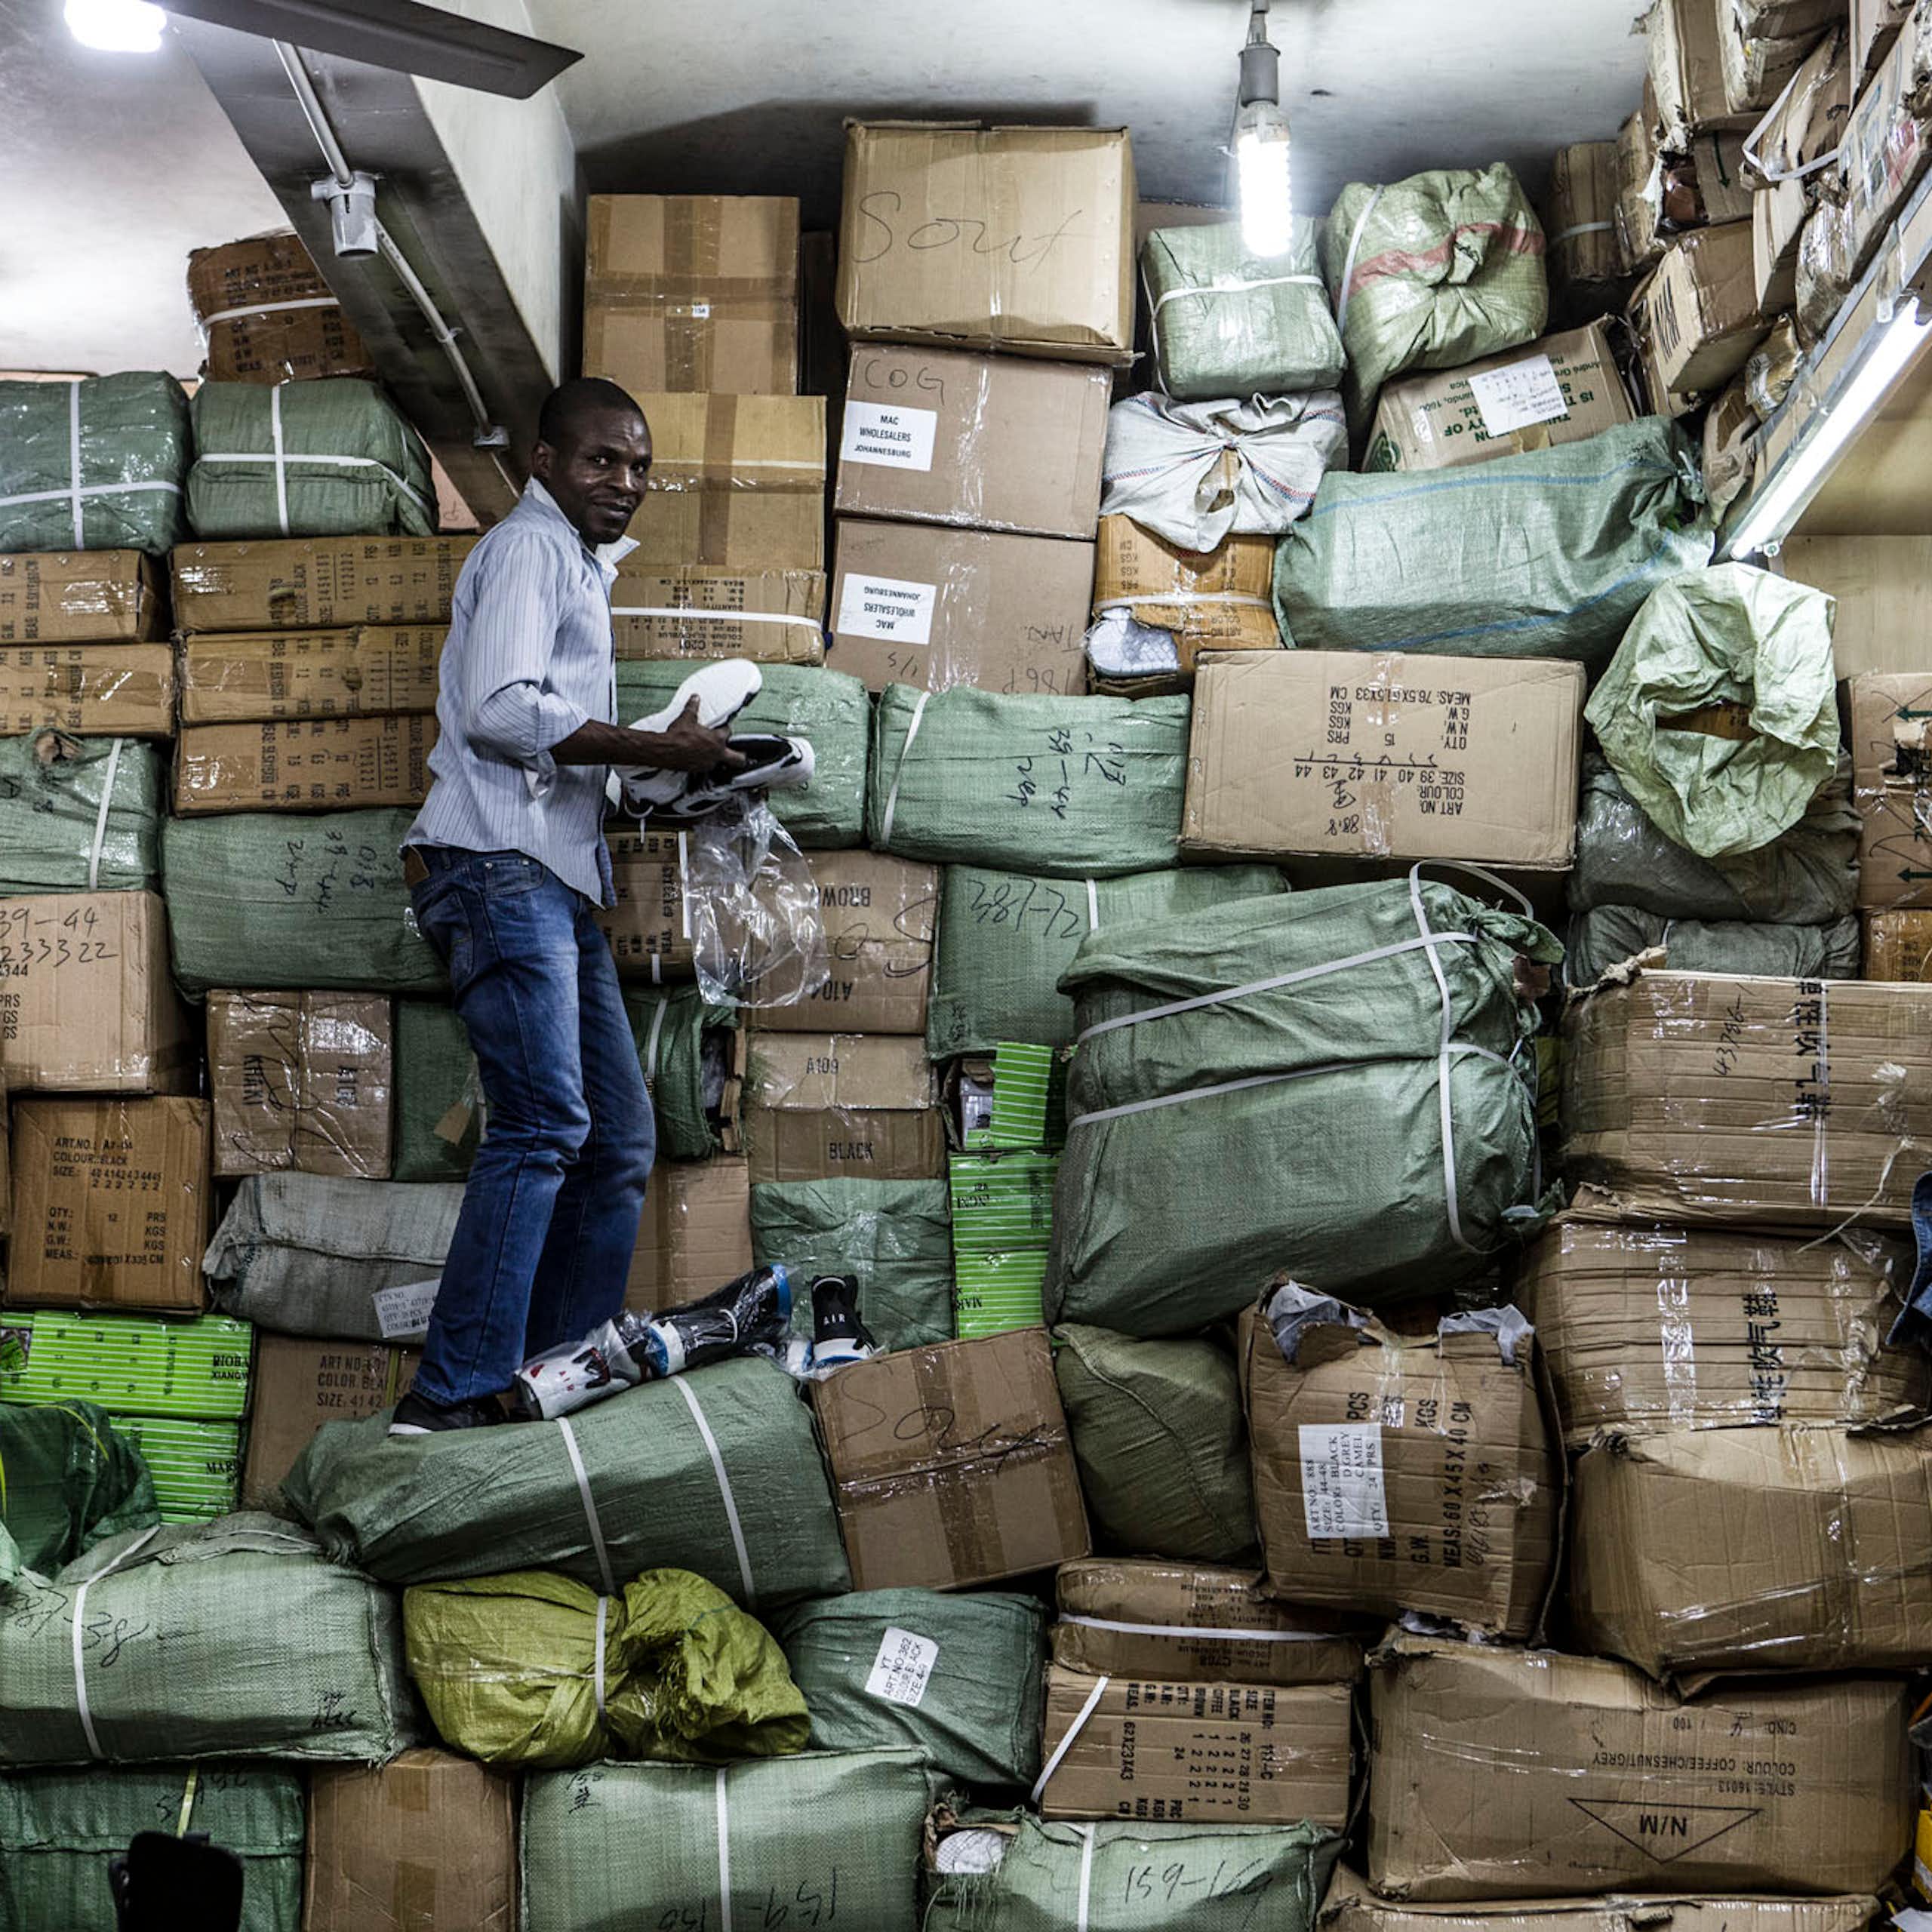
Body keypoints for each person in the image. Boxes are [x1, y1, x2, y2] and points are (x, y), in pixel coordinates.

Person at [389, 377, 745, 1434]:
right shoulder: (531, 550)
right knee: (544, 1123)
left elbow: (553, 732)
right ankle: (449, 1393)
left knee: (619, 1140)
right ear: (544, 462)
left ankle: (547, 1383)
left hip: (551, 877)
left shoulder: (579, 571)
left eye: (639, 466)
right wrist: (652, 745)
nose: (624, 482)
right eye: (602, 460)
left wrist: (688, 768)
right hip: (494, 866)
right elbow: (503, 712)